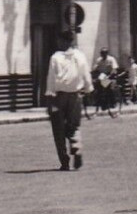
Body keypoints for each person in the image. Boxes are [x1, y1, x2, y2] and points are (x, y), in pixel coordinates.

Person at [44, 30, 91, 171]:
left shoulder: (55, 57)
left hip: (59, 97)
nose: (58, 43)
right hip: (76, 96)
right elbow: (86, 75)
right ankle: (76, 148)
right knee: (74, 125)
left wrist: (49, 95)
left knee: (58, 128)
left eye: (60, 40)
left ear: (64, 41)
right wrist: (88, 90)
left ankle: (64, 161)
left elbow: (51, 78)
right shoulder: (80, 56)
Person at [91, 48, 116, 115]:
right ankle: (100, 102)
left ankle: (112, 102)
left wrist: (109, 76)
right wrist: (92, 73)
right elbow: (95, 68)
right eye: (102, 54)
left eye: (104, 54)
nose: (103, 55)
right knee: (98, 87)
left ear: (107, 54)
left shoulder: (111, 59)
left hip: (110, 74)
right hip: (102, 75)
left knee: (108, 87)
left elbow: (114, 69)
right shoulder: (99, 60)